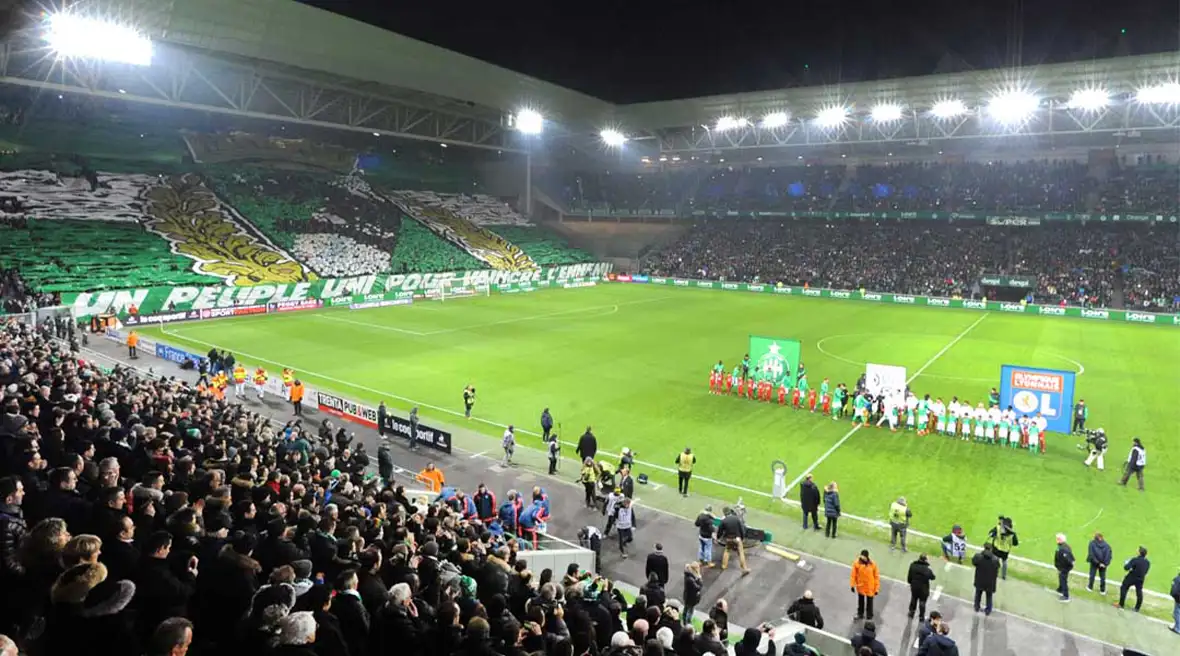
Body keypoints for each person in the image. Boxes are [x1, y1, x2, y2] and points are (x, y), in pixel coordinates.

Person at [1116, 546, 1150, 612]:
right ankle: (1137, 608)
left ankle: (1121, 604)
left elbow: (1126, 568)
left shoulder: (1135, 560)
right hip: (1140, 579)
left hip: (1132, 577)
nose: (1136, 551)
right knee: (1139, 592)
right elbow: (1145, 571)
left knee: (1124, 587)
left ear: (1139, 553)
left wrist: (1127, 563)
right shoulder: (1147, 562)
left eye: (1138, 550)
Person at [717, 507, 749, 575]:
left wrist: (718, 538)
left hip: (729, 539)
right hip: (737, 539)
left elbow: (720, 531)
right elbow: (742, 529)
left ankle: (724, 566)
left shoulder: (724, 521)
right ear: (730, 512)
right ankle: (744, 568)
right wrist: (742, 538)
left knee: (727, 551)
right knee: (741, 553)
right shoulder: (736, 518)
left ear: (724, 513)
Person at [850, 550, 880, 621]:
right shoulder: (857, 564)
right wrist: (852, 585)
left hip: (870, 587)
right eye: (861, 556)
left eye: (863, 557)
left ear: (866, 557)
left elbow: (876, 577)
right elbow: (853, 575)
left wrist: (876, 589)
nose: (861, 558)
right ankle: (860, 613)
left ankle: (869, 616)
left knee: (870, 602)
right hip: (861, 586)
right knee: (861, 601)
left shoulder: (873, 564)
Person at [971, 544, 1000, 615]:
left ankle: (976, 607)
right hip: (990, 582)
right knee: (989, 597)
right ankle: (988, 611)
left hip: (979, 580)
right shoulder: (995, 559)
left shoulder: (978, 557)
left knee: (978, 594)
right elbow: (998, 567)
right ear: (991, 549)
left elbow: (974, 562)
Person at [906, 553, 935, 619]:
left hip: (914, 586)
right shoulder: (927, 569)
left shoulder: (913, 565)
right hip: (924, 589)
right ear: (925, 560)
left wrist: (910, 582)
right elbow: (933, 577)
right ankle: (921, 616)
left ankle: (911, 612)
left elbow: (909, 576)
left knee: (914, 599)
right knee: (922, 602)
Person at [1054, 533, 1075, 602]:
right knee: (1061, 577)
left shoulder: (1063, 548)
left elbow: (1068, 559)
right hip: (1061, 567)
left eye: (1057, 539)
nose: (1056, 540)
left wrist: (1070, 564)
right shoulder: (1064, 546)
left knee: (1063, 580)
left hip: (1064, 568)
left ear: (1060, 540)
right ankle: (1060, 589)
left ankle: (1066, 596)